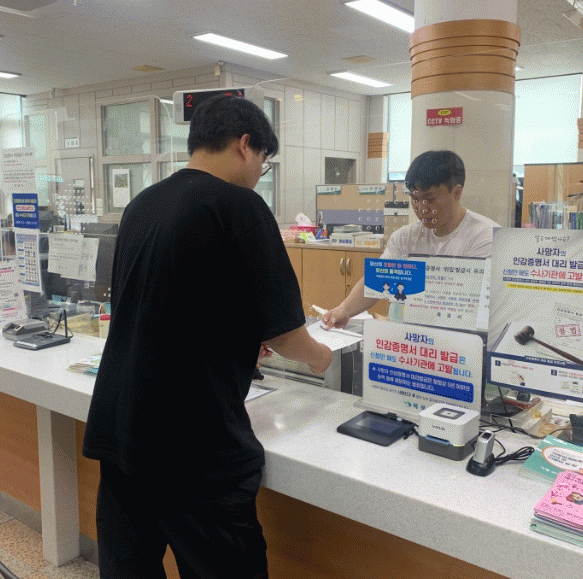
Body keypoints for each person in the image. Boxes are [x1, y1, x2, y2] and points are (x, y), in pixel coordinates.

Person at [82, 94, 332, 579]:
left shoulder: (142, 204)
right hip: (194, 445)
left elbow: (160, 304)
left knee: (129, 569)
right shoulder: (240, 205)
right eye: (263, 160)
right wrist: (319, 356)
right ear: (244, 145)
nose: (259, 172)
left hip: (121, 431)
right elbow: (287, 334)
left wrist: (236, 337)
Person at [322, 150, 499, 329]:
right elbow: (378, 279)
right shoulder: (406, 237)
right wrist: (344, 309)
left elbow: (477, 309)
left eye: (430, 199)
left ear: (456, 193)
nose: (421, 209)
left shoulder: (485, 237)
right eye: (415, 199)